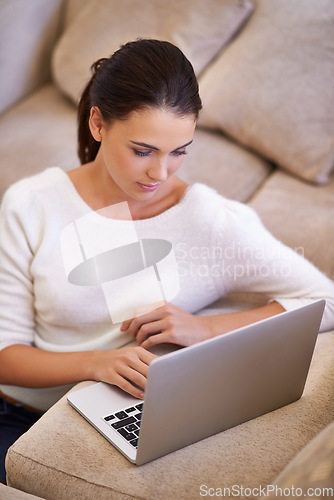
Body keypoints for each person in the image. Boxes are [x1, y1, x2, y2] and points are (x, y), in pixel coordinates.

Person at [0, 39, 333, 484]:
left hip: (122, 416)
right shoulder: (31, 205)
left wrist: (207, 329)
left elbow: (324, 298)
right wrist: (97, 363)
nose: (160, 173)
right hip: (17, 412)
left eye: (179, 151)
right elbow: (6, 355)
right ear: (98, 123)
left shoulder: (208, 219)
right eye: (142, 150)